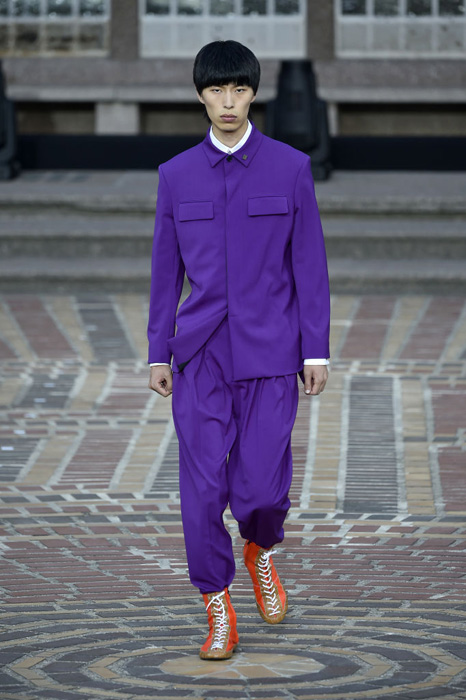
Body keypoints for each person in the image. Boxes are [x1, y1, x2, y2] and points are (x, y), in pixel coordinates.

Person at [148, 39, 330, 661]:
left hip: (272, 352)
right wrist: (158, 352)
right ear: (200, 96)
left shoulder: (290, 168)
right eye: (216, 91)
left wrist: (316, 350)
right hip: (200, 354)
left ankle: (260, 547)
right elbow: (164, 273)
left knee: (260, 491)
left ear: (254, 94)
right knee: (201, 490)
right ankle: (216, 603)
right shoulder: (176, 175)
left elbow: (309, 265)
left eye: (240, 90)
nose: (228, 102)